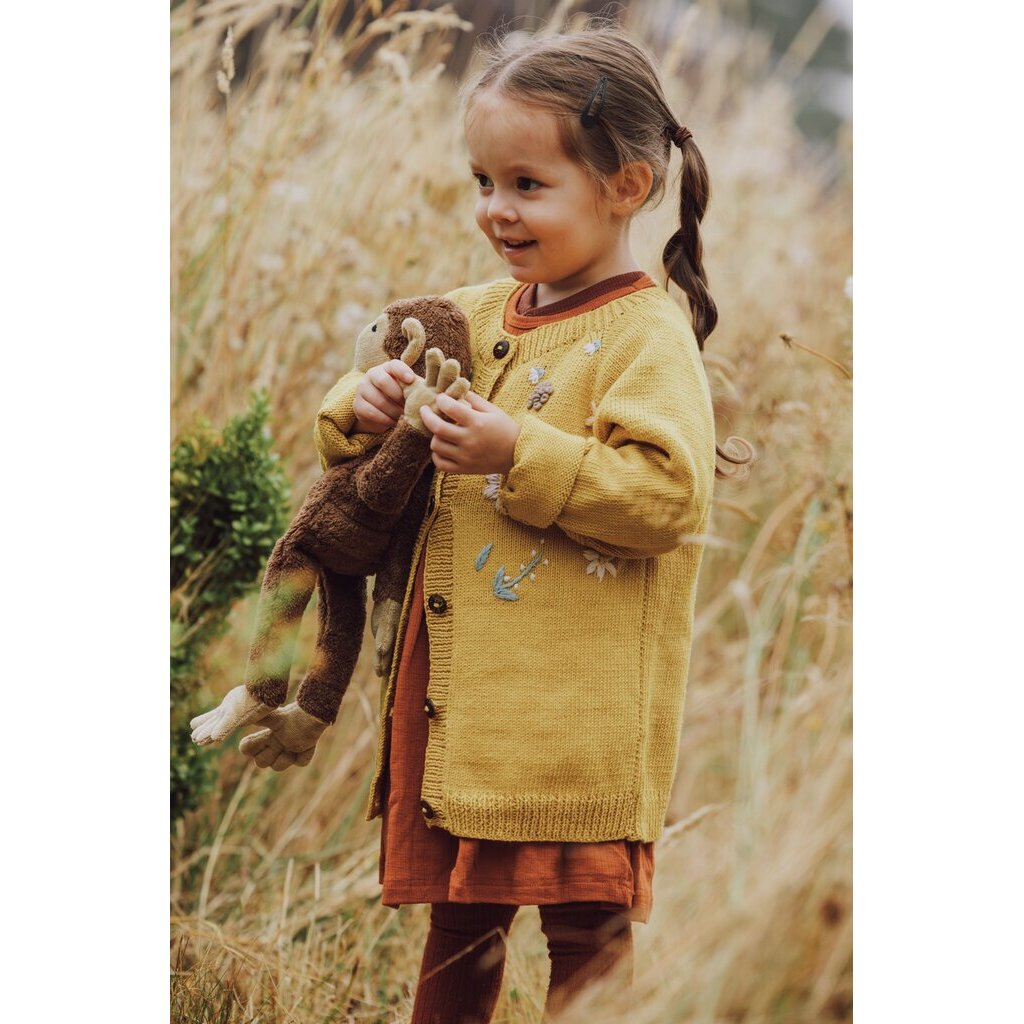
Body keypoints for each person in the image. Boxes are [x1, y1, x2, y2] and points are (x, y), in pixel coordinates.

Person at [304, 24, 749, 1024]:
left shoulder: (645, 335)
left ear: (626, 186)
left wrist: (520, 453)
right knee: (460, 927)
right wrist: (362, 406)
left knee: (586, 937)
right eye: (482, 181)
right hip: (465, 713)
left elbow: (667, 499)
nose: (495, 208)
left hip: (574, 724)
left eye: (526, 184)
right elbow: (356, 409)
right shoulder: (471, 314)